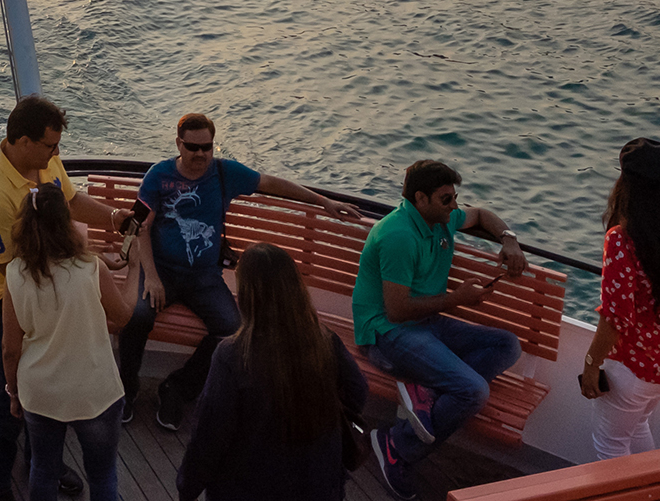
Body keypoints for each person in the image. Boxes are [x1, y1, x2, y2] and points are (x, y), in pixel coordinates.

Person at [118, 113, 363, 430]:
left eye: (207, 147)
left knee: (233, 331)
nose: (201, 155)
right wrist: (150, 275)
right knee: (136, 316)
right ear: (179, 144)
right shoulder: (158, 176)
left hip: (204, 278)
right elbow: (142, 227)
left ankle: (176, 389)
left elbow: (270, 183)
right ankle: (125, 392)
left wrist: (322, 200)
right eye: (193, 147)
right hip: (160, 270)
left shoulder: (223, 172)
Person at [0, 95, 130, 500]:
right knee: (9, 401)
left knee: (37, 400)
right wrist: (86, 265)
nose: (57, 153)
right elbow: (13, 273)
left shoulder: (43, 162)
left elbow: (72, 202)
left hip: (46, 279)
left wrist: (114, 217)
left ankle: (45, 461)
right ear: (24, 141)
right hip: (10, 298)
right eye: (50, 146)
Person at [352, 159, 527, 501]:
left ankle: (427, 398)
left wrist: (509, 239)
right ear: (421, 198)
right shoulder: (399, 235)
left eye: (454, 197)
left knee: (507, 345)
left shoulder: (441, 219)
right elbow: (397, 310)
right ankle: (397, 446)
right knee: (473, 391)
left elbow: (480, 215)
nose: (454, 206)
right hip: (385, 333)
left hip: (424, 324)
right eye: (446, 199)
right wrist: (458, 299)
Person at [178, 242, 369, 501]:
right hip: (319, 485)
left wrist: (187, 488)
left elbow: (210, 435)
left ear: (248, 294)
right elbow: (358, 392)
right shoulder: (325, 340)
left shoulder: (233, 354)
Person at [578, 138, 660, 458]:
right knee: (637, 428)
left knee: (609, 447)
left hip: (633, 367)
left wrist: (591, 365)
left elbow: (615, 317)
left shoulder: (622, 239)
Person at [2, 181, 135, 501]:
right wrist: (137, 267)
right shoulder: (90, 266)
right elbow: (124, 317)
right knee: (102, 475)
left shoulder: (15, 273)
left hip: (41, 392)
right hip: (95, 392)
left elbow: (10, 348)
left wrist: (13, 393)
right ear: (66, 222)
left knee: (43, 470)